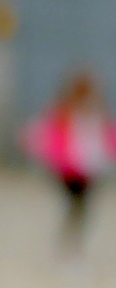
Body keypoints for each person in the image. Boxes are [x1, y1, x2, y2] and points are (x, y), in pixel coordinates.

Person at [20, 72, 116, 249]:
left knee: (81, 205)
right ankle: (69, 239)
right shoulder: (64, 112)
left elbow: (108, 138)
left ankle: (72, 239)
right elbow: (43, 133)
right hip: (69, 168)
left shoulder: (99, 113)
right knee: (75, 203)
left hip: (90, 168)